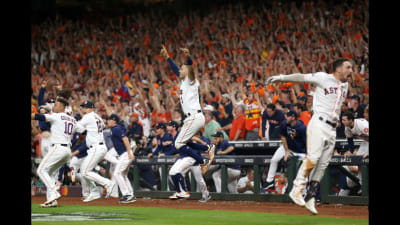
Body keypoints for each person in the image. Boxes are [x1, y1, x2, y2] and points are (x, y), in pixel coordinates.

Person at [266, 58, 353, 215]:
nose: (351, 71)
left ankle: (310, 196)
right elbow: (301, 77)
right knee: (313, 158)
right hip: (318, 123)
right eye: (348, 67)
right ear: (338, 69)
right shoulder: (323, 77)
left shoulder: (345, 84)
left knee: (322, 165)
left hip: (332, 128)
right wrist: (281, 77)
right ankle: (296, 189)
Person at [160, 45, 215, 173]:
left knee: (178, 144)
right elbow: (175, 70)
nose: (180, 70)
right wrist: (167, 57)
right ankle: (207, 148)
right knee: (180, 142)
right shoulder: (184, 82)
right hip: (191, 118)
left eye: (182, 68)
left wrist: (188, 58)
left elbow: (191, 70)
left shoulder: (192, 80)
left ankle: (203, 160)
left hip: (195, 117)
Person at [32, 89, 81, 208]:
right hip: (67, 151)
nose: (54, 106)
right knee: (51, 174)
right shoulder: (73, 119)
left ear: (62, 107)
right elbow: (81, 130)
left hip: (58, 148)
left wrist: (40, 112)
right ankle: (51, 200)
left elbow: (36, 116)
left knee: (41, 170)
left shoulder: (56, 116)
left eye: (57, 105)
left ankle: (54, 193)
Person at [75, 100, 116, 202]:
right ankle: (94, 192)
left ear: (91, 108)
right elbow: (99, 127)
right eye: (83, 107)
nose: (84, 109)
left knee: (84, 171)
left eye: (86, 107)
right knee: (84, 171)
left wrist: (70, 120)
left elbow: (79, 129)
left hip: (96, 148)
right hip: (98, 147)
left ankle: (107, 183)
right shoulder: (98, 117)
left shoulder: (88, 116)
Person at [262, 110, 307, 192]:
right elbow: (283, 137)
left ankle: (303, 192)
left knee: (301, 171)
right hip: (286, 146)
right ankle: (269, 181)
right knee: (274, 160)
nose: (286, 117)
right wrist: (286, 151)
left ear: (293, 118)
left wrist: (307, 155)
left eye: (288, 116)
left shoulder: (302, 128)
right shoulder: (284, 123)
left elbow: (307, 142)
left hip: (300, 151)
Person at [106, 114, 137, 203]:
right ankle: (130, 194)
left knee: (117, 173)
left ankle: (126, 195)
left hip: (125, 154)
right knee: (123, 175)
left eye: (109, 120)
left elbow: (125, 139)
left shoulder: (116, 128)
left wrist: (129, 152)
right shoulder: (117, 127)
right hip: (125, 154)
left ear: (114, 121)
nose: (107, 121)